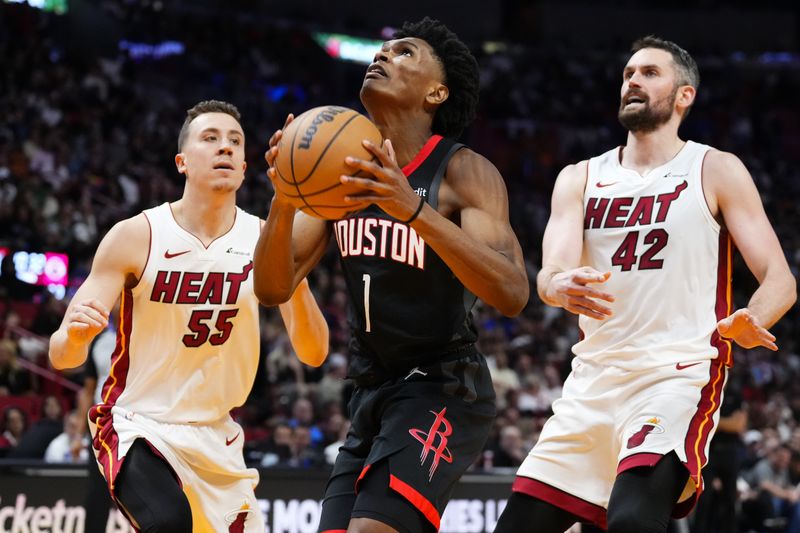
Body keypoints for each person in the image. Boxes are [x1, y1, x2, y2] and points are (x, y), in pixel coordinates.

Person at [494, 36, 796, 533]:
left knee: (634, 521)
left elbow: (780, 278)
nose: (633, 80)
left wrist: (754, 317)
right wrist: (557, 284)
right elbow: (550, 275)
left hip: (675, 376)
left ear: (684, 95)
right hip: (592, 382)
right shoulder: (579, 177)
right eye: (629, 73)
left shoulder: (714, 168)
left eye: (650, 73)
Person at [254, 17, 529, 533]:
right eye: (383, 49)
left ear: (436, 92)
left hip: (444, 385)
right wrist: (285, 201)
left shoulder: (461, 170)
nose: (383, 55)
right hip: (369, 388)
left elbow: (513, 292)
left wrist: (414, 211)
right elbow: (272, 288)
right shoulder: (338, 171)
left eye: (406, 53)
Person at [48, 100, 329, 533]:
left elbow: (314, 353)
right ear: (182, 161)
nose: (226, 148)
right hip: (138, 423)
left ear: (244, 164)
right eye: (211, 138)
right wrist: (77, 336)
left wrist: (297, 275)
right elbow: (61, 355)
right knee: (167, 522)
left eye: (235, 141)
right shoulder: (135, 235)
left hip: (218, 436)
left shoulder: (264, 239)